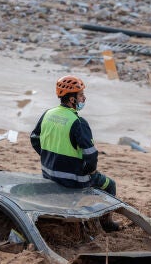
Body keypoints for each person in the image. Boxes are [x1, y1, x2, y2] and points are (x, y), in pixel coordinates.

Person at [30, 75, 119, 232]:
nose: (84, 98)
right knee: (110, 185)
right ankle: (106, 224)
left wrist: (48, 157)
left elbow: (34, 139)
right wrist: (91, 171)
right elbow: (91, 155)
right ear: (72, 99)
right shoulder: (78, 122)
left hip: (48, 173)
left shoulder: (48, 114)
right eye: (81, 95)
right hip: (74, 180)